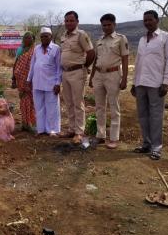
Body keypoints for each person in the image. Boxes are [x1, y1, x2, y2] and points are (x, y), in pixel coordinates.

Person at [131, 10, 168, 160]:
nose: (147, 22)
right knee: (143, 115)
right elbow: (138, 62)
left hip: (156, 83)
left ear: (157, 20)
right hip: (140, 82)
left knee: (156, 116)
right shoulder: (143, 39)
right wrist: (133, 82)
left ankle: (156, 148)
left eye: (150, 20)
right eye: (145, 20)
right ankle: (146, 144)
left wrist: (166, 82)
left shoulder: (165, 37)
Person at [89, 13, 129, 149]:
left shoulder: (121, 39)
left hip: (113, 74)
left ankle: (113, 138)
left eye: (108, 25)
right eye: (104, 25)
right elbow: (96, 60)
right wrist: (91, 77)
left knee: (113, 106)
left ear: (114, 25)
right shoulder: (99, 40)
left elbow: (125, 59)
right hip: (99, 75)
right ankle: (100, 135)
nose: (106, 27)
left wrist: (124, 79)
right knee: (99, 106)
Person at [60, 10, 95, 144]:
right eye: (67, 21)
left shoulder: (81, 35)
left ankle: (79, 132)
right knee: (68, 102)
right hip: (65, 72)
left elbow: (91, 53)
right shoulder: (64, 36)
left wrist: (84, 67)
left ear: (77, 22)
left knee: (78, 102)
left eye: (71, 20)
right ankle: (71, 129)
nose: (69, 23)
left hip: (77, 72)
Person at [26, 27, 61, 137]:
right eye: (42, 36)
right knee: (39, 107)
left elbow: (59, 67)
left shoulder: (56, 48)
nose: (44, 38)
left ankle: (53, 130)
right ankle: (41, 130)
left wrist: (58, 83)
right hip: (37, 83)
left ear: (51, 37)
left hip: (51, 83)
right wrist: (29, 79)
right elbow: (32, 65)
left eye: (46, 36)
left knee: (52, 107)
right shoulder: (37, 49)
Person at [12, 32, 36, 132]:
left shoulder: (36, 50)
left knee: (32, 102)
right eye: (25, 38)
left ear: (33, 39)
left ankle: (31, 122)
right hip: (21, 80)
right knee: (23, 101)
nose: (26, 40)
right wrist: (13, 79)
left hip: (32, 80)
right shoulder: (20, 49)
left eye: (29, 38)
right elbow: (16, 63)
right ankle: (24, 123)